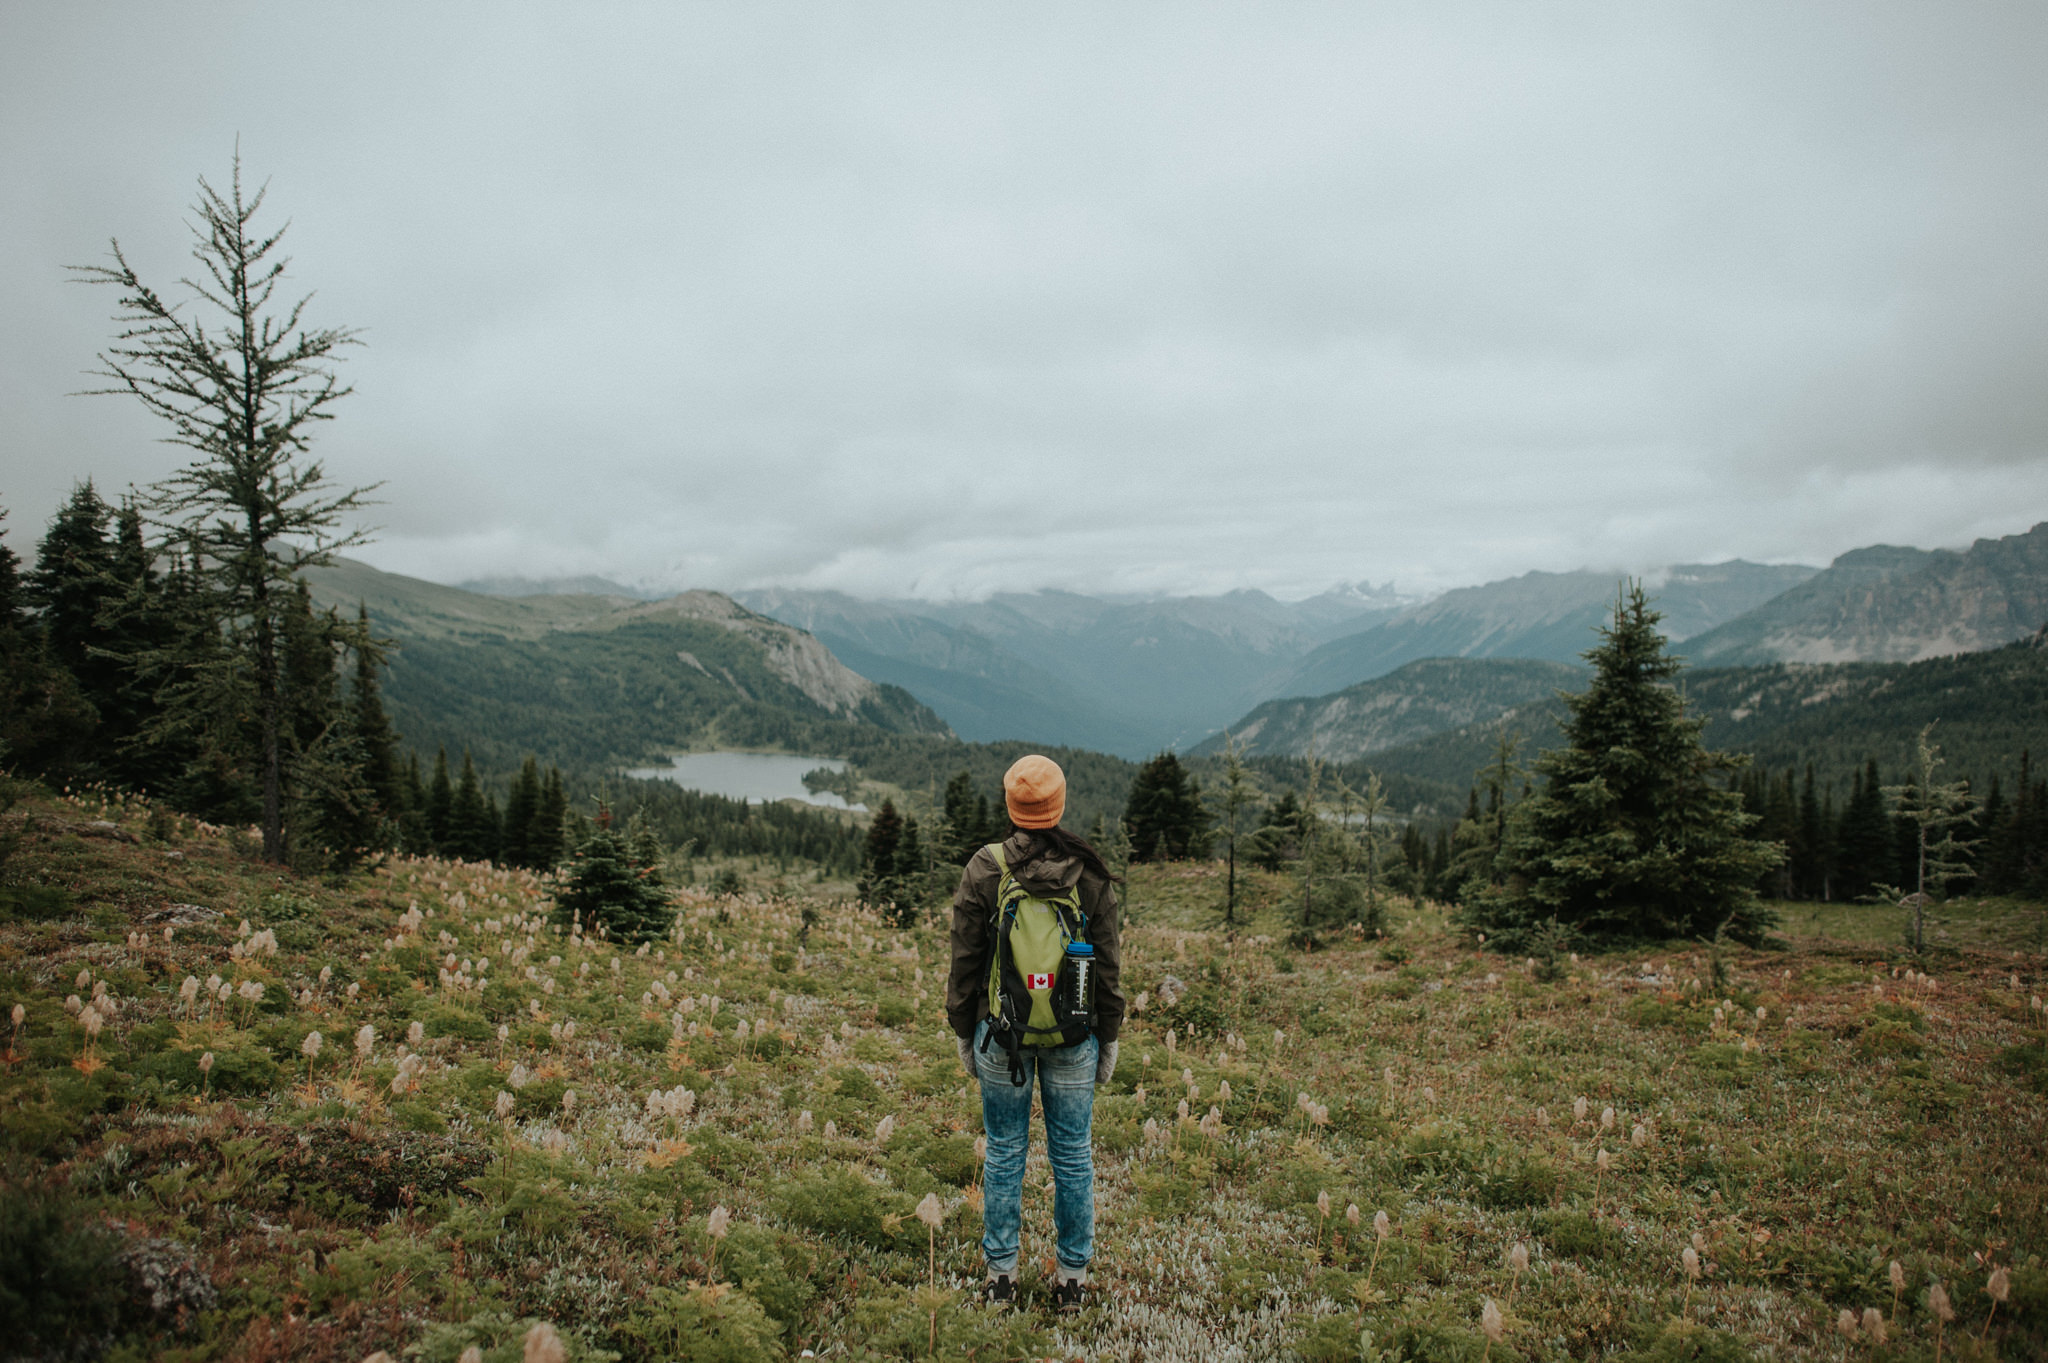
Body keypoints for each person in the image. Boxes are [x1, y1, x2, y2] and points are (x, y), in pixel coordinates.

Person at [947, 754, 1124, 1313]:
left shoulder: (984, 867)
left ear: (1011, 806)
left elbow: (966, 959)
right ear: (1058, 805)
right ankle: (1072, 1279)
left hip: (1000, 1035)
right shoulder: (1088, 872)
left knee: (1004, 1152)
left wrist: (962, 1028)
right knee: (1072, 1156)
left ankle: (1001, 1277)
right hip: (1074, 1036)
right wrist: (1110, 1035)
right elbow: (1108, 967)